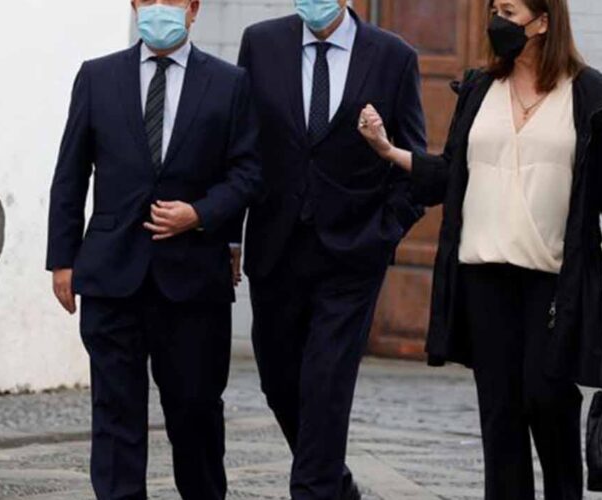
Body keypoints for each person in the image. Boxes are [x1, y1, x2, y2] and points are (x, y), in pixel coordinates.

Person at [358, 0, 602, 498]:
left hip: (553, 281)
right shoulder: (479, 89)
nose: (497, 21)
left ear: (544, 22)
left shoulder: (590, 95)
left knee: (548, 400)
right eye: (494, 9)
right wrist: (388, 150)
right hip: (483, 277)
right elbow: (450, 173)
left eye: (508, 11)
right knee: (499, 413)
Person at [45, 0, 262, 498]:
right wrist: (62, 259)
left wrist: (200, 214)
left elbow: (249, 173)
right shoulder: (98, 77)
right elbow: (71, 172)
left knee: (195, 410)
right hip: (111, 273)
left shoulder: (230, 83)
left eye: (171, 0)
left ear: (193, 9)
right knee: (116, 412)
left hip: (192, 279)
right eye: (148, 0)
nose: (158, 9)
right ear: (135, 6)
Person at [233, 0, 426, 497]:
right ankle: (335, 484)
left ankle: (314, 490)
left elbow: (415, 161)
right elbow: (239, 146)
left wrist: (384, 233)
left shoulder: (393, 56)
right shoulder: (261, 42)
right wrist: (231, 235)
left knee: (325, 384)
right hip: (275, 246)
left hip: (352, 252)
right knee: (279, 381)